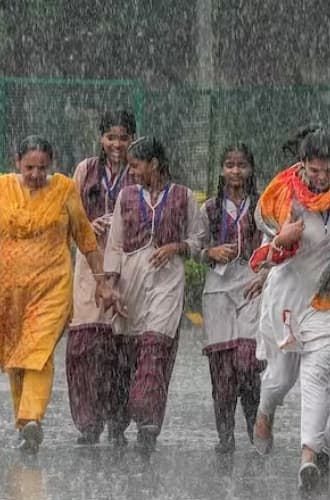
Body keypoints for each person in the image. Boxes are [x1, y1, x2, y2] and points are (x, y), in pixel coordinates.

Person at [249, 131, 330, 490]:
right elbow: (268, 241)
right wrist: (282, 238)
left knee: (319, 377)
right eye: (315, 170)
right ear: (302, 166)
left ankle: (308, 457)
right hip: (288, 295)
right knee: (281, 379)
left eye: (328, 169)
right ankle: (265, 411)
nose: (322, 177)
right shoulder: (281, 192)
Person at [0, 136, 112, 453]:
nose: (36, 174)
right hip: (8, 292)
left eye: (42, 168)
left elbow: (86, 240)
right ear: (16, 162)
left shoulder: (63, 190)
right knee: (16, 357)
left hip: (52, 287)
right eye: (29, 167)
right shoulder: (3, 188)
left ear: (52, 165)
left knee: (38, 351)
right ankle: (26, 424)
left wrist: (102, 281)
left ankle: (32, 417)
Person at [103, 136, 204, 452]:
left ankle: (147, 421)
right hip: (131, 281)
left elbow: (199, 242)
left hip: (167, 280)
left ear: (154, 164)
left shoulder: (184, 197)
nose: (131, 172)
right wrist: (111, 284)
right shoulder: (126, 196)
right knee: (125, 357)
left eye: (135, 166)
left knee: (155, 348)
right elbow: (116, 244)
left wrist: (176, 246)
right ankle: (118, 421)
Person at [66, 110, 137, 445]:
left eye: (123, 138)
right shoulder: (85, 170)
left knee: (120, 348)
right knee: (85, 343)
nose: (117, 145)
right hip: (89, 261)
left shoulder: (138, 170)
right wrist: (87, 226)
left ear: (133, 139)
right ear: (100, 138)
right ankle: (88, 422)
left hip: (124, 261)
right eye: (111, 137)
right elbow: (70, 213)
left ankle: (118, 422)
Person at [198, 143, 266, 453]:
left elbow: (276, 243)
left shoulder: (263, 207)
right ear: (222, 169)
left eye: (241, 165)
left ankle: (256, 427)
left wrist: (266, 273)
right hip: (218, 290)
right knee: (222, 367)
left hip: (253, 285)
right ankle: (225, 436)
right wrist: (209, 252)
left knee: (247, 362)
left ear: (251, 169)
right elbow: (196, 247)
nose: (235, 171)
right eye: (229, 165)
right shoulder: (210, 208)